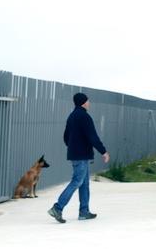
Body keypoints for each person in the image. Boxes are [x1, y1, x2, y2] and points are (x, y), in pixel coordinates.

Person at [48, 92, 109, 223]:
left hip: (77, 155)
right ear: (83, 102)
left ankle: (84, 211)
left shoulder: (72, 116)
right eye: (88, 101)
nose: (89, 103)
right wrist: (103, 151)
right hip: (81, 156)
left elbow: (66, 137)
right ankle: (57, 208)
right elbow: (93, 137)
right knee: (77, 181)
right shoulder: (85, 117)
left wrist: (73, 147)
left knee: (84, 184)